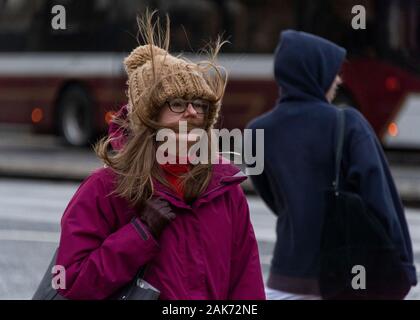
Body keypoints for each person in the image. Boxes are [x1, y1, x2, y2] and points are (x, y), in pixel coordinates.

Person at [55, 12, 265, 300]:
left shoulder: (226, 192)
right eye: (177, 103)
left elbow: (247, 288)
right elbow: (70, 283)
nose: (192, 112)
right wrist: (140, 234)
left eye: (200, 104)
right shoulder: (105, 189)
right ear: (148, 118)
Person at [246, 30, 417, 300]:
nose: (337, 80)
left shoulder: (257, 130)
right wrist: (402, 267)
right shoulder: (347, 123)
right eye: (332, 72)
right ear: (314, 72)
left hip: (284, 277)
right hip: (343, 278)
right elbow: (380, 200)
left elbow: (273, 197)